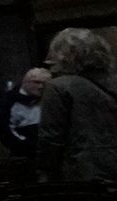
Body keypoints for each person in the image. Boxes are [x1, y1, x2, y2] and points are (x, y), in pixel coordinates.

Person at [41, 27, 117, 181]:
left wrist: (45, 173)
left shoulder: (58, 87)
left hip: (84, 174)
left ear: (64, 55)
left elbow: (51, 139)